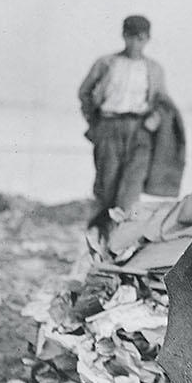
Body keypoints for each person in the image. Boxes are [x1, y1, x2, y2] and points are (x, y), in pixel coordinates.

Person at [78, 15, 174, 234]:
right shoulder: (107, 63)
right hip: (110, 127)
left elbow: (162, 102)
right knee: (106, 187)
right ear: (124, 36)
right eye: (131, 37)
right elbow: (85, 92)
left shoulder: (154, 69)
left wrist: (153, 121)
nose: (135, 43)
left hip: (140, 132)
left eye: (141, 38)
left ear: (148, 39)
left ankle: (121, 242)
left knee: (130, 192)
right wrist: (95, 122)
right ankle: (98, 239)